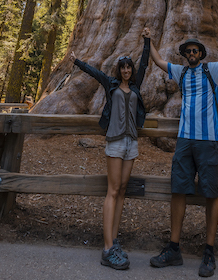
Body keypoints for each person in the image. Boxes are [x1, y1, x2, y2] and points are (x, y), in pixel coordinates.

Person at [146, 23, 218, 278]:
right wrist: (148, 40)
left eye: (195, 51)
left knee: (211, 193)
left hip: (209, 140)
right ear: (185, 55)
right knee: (178, 189)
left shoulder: (212, 70)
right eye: (188, 51)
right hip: (184, 140)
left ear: (201, 55)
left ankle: (209, 251)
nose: (191, 54)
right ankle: (173, 248)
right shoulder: (180, 72)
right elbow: (158, 61)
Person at [70, 27, 151, 270]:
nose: (126, 70)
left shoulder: (135, 87)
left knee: (123, 189)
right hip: (115, 141)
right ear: (119, 70)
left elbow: (145, 64)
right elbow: (95, 73)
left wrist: (147, 41)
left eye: (129, 67)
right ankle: (107, 248)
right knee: (113, 190)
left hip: (131, 142)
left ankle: (114, 241)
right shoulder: (111, 84)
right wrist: (77, 61)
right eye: (123, 67)